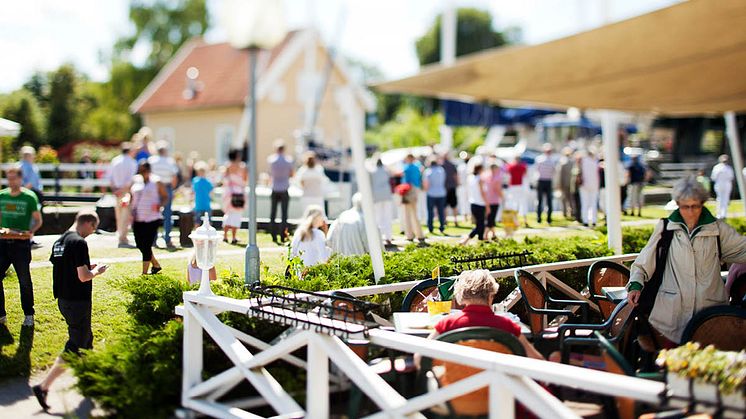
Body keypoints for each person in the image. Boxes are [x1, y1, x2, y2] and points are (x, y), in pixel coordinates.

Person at [626, 177, 746, 347]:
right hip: (673, 316)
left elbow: (743, 249)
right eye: (685, 206)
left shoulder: (718, 229)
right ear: (677, 204)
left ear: (702, 204)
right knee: (675, 363)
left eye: (695, 206)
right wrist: (636, 284)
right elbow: (643, 262)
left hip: (710, 316)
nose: (690, 211)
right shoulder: (665, 228)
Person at [32, 211, 107, 411]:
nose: (91, 233)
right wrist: (96, 271)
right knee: (75, 345)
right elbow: (83, 277)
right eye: (93, 229)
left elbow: (68, 267)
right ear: (89, 223)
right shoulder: (80, 243)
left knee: (86, 340)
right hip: (78, 301)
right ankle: (43, 386)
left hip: (63, 299)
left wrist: (86, 266)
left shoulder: (60, 241)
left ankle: (90, 380)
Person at [426, 269, 543, 360]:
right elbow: (536, 360)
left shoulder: (447, 323)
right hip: (499, 389)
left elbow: (421, 356)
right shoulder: (507, 325)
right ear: (491, 295)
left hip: (456, 389)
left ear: (461, 296)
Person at [0, 165, 42, 327]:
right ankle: (1, 315)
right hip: (3, 243)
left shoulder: (29, 197)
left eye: (14, 178)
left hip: (21, 244)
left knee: (24, 280)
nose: (11, 182)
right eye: (8, 178)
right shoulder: (2, 196)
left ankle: (29, 314)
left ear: (20, 178)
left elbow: (38, 220)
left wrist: (30, 232)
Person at [130, 162, 167, 275]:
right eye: (141, 171)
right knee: (139, 244)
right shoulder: (135, 181)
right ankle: (155, 264)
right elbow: (130, 194)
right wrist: (127, 200)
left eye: (144, 171)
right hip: (137, 216)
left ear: (149, 170)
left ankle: (144, 273)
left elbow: (165, 196)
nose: (143, 173)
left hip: (152, 217)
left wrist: (160, 204)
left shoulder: (157, 181)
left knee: (146, 245)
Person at [108, 140, 138, 248]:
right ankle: (122, 237)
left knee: (119, 213)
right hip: (125, 190)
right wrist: (123, 189)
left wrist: (114, 189)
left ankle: (120, 234)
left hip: (116, 190)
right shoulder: (132, 162)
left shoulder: (115, 161)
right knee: (125, 213)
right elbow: (131, 179)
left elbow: (109, 177)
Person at [148, 141, 179, 247]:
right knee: (167, 214)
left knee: (153, 214)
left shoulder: (152, 161)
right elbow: (174, 177)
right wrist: (172, 188)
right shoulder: (170, 161)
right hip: (166, 187)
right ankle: (167, 239)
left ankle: (153, 239)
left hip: (154, 188)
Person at [267, 139, 294, 243]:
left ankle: (273, 235)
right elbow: (291, 174)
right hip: (284, 189)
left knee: (273, 214)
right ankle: (283, 235)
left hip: (274, 188)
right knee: (284, 214)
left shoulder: (271, 160)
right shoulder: (288, 160)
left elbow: (269, 173)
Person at [220, 149, 247, 244]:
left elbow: (223, 179)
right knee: (236, 215)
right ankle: (234, 237)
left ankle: (225, 235)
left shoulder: (227, 166)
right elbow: (244, 179)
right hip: (239, 192)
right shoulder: (242, 166)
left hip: (229, 193)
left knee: (228, 214)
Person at [461, 164, 490, 245]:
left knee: (480, 223)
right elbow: (482, 193)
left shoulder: (470, 178)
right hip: (480, 203)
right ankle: (466, 239)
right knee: (480, 225)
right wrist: (487, 204)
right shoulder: (479, 179)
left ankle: (481, 239)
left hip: (473, 203)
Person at [401, 154, 425, 243]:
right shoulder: (417, 167)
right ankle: (420, 234)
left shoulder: (407, 168)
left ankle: (410, 235)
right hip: (416, 189)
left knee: (407, 214)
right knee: (414, 213)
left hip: (409, 190)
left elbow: (405, 180)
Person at [369, 159, 394, 246]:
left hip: (377, 196)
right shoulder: (386, 170)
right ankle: (388, 237)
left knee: (378, 217)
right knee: (387, 216)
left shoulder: (372, 171)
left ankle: (379, 238)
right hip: (386, 194)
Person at [423, 157, 447, 235]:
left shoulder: (428, 171)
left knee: (430, 211)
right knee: (441, 211)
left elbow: (426, 184)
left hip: (431, 193)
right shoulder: (441, 170)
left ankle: (430, 228)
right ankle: (442, 227)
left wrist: (426, 190)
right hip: (441, 193)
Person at [534, 144, 556, 224]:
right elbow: (554, 171)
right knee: (546, 201)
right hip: (545, 181)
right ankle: (545, 218)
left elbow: (536, 170)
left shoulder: (539, 159)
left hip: (543, 181)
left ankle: (542, 218)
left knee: (543, 201)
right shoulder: (550, 160)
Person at [505, 155, 529, 227]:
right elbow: (526, 175)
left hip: (513, 187)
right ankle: (525, 220)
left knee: (514, 203)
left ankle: (515, 221)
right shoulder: (523, 167)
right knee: (522, 203)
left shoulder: (511, 166)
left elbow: (508, 175)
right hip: (521, 186)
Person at [579, 150, 600, 227]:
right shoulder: (595, 163)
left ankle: (585, 220)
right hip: (594, 186)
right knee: (593, 204)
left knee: (585, 204)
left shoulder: (583, 162)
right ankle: (593, 220)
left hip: (584, 186)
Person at [483, 162, 503, 240]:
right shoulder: (496, 177)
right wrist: (503, 197)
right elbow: (497, 189)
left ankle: (494, 234)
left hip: (487, 199)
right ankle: (485, 235)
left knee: (490, 217)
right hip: (494, 200)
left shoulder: (486, 176)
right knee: (491, 218)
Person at [710, 154, 734, 219]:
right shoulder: (719, 167)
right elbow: (714, 177)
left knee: (724, 199)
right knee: (721, 198)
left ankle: (722, 214)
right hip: (721, 184)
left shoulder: (725, 168)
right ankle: (720, 213)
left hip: (724, 184)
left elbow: (713, 177)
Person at [192, 161, 213, 228]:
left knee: (206, 220)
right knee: (197, 220)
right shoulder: (206, 181)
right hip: (200, 204)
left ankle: (207, 233)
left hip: (204, 203)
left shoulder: (196, 181)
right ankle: (198, 233)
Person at [441, 153, 460, 227]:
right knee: (454, 205)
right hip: (451, 187)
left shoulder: (441, 166)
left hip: (445, 187)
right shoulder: (452, 165)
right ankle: (455, 220)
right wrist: (457, 183)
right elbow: (455, 176)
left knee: (445, 205)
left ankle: (445, 220)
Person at [558, 147, 575, 220]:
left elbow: (560, 175)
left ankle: (565, 212)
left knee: (564, 199)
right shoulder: (573, 162)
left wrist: (559, 184)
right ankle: (572, 212)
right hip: (571, 183)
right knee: (571, 198)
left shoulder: (562, 162)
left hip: (564, 183)